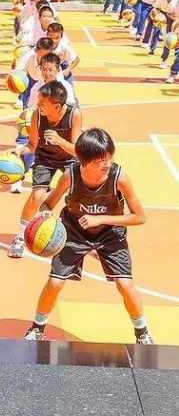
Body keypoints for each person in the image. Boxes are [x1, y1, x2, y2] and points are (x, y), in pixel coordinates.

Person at [24, 128, 150, 344]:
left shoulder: (119, 177)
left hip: (110, 232)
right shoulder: (70, 176)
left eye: (110, 156)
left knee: (125, 284)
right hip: (74, 231)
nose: (107, 162)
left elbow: (139, 217)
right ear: (85, 161)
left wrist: (101, 219)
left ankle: (143, 333)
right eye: (102, 159)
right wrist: (45, 213)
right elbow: (48, 203)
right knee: (55, 283)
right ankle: (37, 327)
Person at [8, 81, 82, 259]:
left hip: (69, 158)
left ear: (57, 106)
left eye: (42, 103)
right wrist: (18, 151)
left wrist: (59, 141)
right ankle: (19, 238)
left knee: (79, 198)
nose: (38, 105)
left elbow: (78, 150)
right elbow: (33, 145)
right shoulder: (37, 116)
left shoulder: (74, 114)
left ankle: (84, 239)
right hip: (45, 158)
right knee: (37, 196)